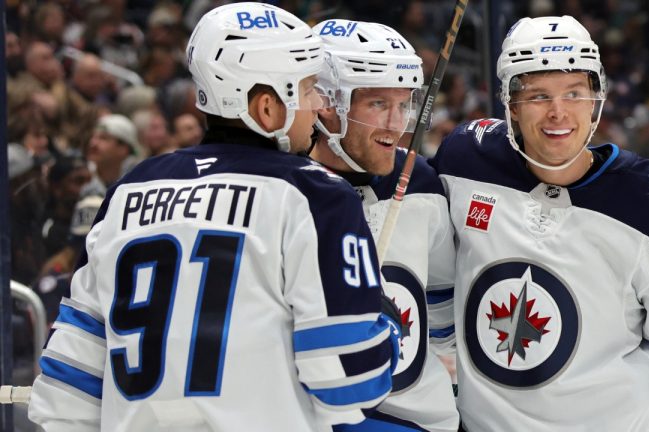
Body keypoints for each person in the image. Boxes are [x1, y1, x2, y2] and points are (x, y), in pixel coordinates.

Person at [28, 4, 400, 431]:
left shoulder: (130, 190)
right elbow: (351, 381)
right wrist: (383, 321)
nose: (318, 104)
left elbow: (65, 391)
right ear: (267, 108)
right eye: (308, 87)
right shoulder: (315, 196)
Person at [430, 15, 649, 431]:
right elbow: (437, 288)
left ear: (596, 99)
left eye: (574, 92)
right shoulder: (466, 160)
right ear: (511, 106)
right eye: (538, 96)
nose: (558, 113)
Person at [310, 20, 459, 432]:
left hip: (413, 423)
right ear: (327, 102)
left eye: (404, 104)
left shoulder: (422, 184)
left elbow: (443, 315)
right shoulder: (283, 192)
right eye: (377, 104)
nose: (396, 125)